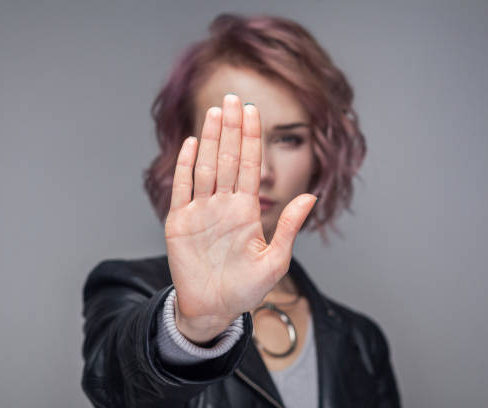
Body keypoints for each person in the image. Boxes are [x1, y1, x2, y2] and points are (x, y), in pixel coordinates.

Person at [81, 13, 401, 408]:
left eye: (288, 139)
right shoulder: (129, 290)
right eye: (235, 136)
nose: (262, 171)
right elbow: (117, 385)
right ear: (187, 147)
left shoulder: (361, 342)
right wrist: (194, 327)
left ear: (320, 155)